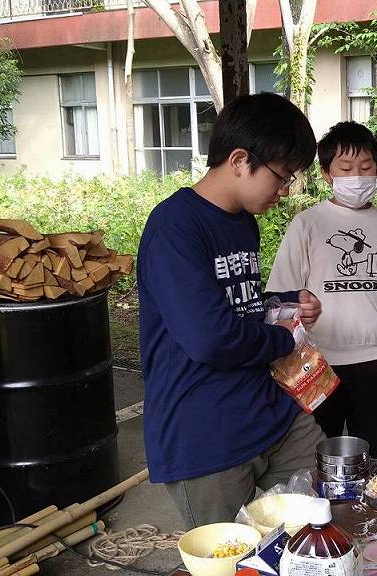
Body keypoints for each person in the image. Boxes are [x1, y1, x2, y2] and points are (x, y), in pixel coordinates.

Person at [137, 93, 326, 528]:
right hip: (205, 432)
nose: (284, 191)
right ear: (240, 160)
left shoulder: (243, 222)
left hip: (269, 412)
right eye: (282, 177)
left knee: (320, 517)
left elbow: (239, 305)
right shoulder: (174, 227)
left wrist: (285, 303)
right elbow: (211, 338)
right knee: (230, 554)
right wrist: (284, 338)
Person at [266, 121, 377, 459]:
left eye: (366, 167)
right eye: (346, 168)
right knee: (319, 458)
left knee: (376, 456)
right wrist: (288, 365)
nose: (358, 176)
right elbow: (282, 300)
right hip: (319, 364)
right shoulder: (307, 224)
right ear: (327, 174)